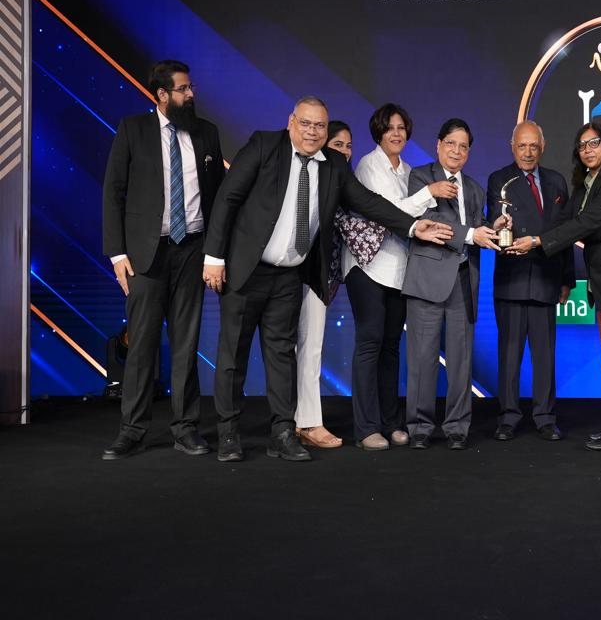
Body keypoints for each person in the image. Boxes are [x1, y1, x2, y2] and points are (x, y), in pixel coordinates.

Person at [202, 97, 452, 462]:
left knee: (282, 357)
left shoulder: (333, 164)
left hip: (290, 275)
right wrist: (214, 257)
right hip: (247, 270)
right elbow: (227, 197)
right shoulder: (264, 145)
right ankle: (228, 433)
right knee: (233, 356)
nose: (312, 132)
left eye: (319, 126)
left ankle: (282, 433)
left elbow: (368, 202)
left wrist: (413, 226)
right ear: (291, 121)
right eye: (305, 123)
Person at [100, 60, 225, 460]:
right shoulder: (133, 129)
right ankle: (132, 430)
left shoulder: (207, 132)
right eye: (183, 89)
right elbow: (113, 192)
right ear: (161, 94)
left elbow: (220, 197)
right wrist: (117, 253)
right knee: (142, 344)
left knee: (186, 343)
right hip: (145, 255)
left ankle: (185, 429)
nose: (191, 94)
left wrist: (216, 253)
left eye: (191, 87)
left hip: (192, 250)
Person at [509, 120, 601, 451]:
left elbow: (584, 224)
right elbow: (562, 221)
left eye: (594, 143)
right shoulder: (585, 186)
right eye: (582, 145)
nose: (587, 150)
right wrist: (520, 232)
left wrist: (537, 242)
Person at [341, 104, 460, 451]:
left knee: (391, 347)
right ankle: (366, 428)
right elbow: (390, 213)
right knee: (370, 343)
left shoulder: (407, 170)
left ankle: (391, 421)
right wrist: (429, 193)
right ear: (378, 132)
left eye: (401, 128)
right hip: (367, 267)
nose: (396, 133)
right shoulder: (368, 165)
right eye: (389, 127)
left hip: (398, 270)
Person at [402, 118, 506, 450]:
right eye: (451, 144)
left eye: (463, 147)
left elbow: (478, 228)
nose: (457, 151)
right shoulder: (421, 177)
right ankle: (419, 426)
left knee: (461, 360)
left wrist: (494, 227)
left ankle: (458, 426)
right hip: (427, 281)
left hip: (464, 281)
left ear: (469, 152)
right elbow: (430, 222)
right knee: (422, 358)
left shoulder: (474, 188)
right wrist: (472, 234)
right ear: (438, 145)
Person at [486, 120, 574, 441]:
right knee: (509, 355)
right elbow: (495, 223)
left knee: (545, 355)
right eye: (522, 146)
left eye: (533, 146)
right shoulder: (499, 179)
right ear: (512, 147)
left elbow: (565, 233)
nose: (527, 152)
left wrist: (567, 279)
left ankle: (545, 417)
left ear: (543, 147)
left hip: (547, 278)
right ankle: (508, 417)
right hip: (511, 279)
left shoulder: (556, 181)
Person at [293, 120, 353, 450]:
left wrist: (334, 278)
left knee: (311, 347)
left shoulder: (346, 183)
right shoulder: (308, 175)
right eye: (337, 144)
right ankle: (289, 419)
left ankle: (308, 421)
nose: (344, 151)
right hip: (287, 271)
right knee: (285, 348)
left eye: (348, 145)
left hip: (321, 277)